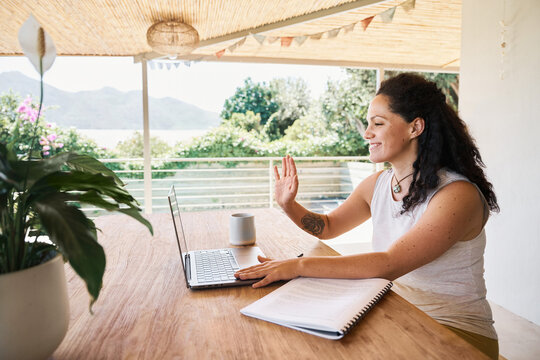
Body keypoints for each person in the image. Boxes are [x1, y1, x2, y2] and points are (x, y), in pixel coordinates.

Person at [235, 73, 499, 359]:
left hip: (456, 332)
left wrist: (296, 267)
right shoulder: (378, 185)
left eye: (378, 123)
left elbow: (388, 264)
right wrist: (288, 204)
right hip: (397, 311)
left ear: (415, 127)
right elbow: (328, 227)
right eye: (369, 123)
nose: (367, 133)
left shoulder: (456, 195)